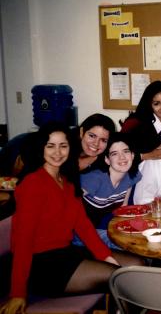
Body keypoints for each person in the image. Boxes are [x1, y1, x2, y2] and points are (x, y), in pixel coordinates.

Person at [0, 122, 121, 314]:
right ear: (42, 148)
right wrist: (17, 293)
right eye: (51, 146)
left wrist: (104, 255)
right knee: (120, 277)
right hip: (40, 266)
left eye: (63, 146)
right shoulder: (33, 183)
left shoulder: (66, 180)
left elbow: (82, 225)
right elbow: (23, 241)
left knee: (135, 266)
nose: (58, 152)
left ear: (70, 148)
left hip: (65, 253)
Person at [78, 132, 142, 248]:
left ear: (132, 155)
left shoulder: (133, 176)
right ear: (107, 160)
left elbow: (123, 208)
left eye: (126, 151)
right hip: (78, 233)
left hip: (95, 230)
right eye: (114, 154)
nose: (122, 157)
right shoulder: (95, 179)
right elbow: (66, 206)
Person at [120, 81, 161, 161]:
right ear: (148, 105)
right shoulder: (134, 123)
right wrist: (149, 155)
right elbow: (118, 155)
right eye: (157, 104)